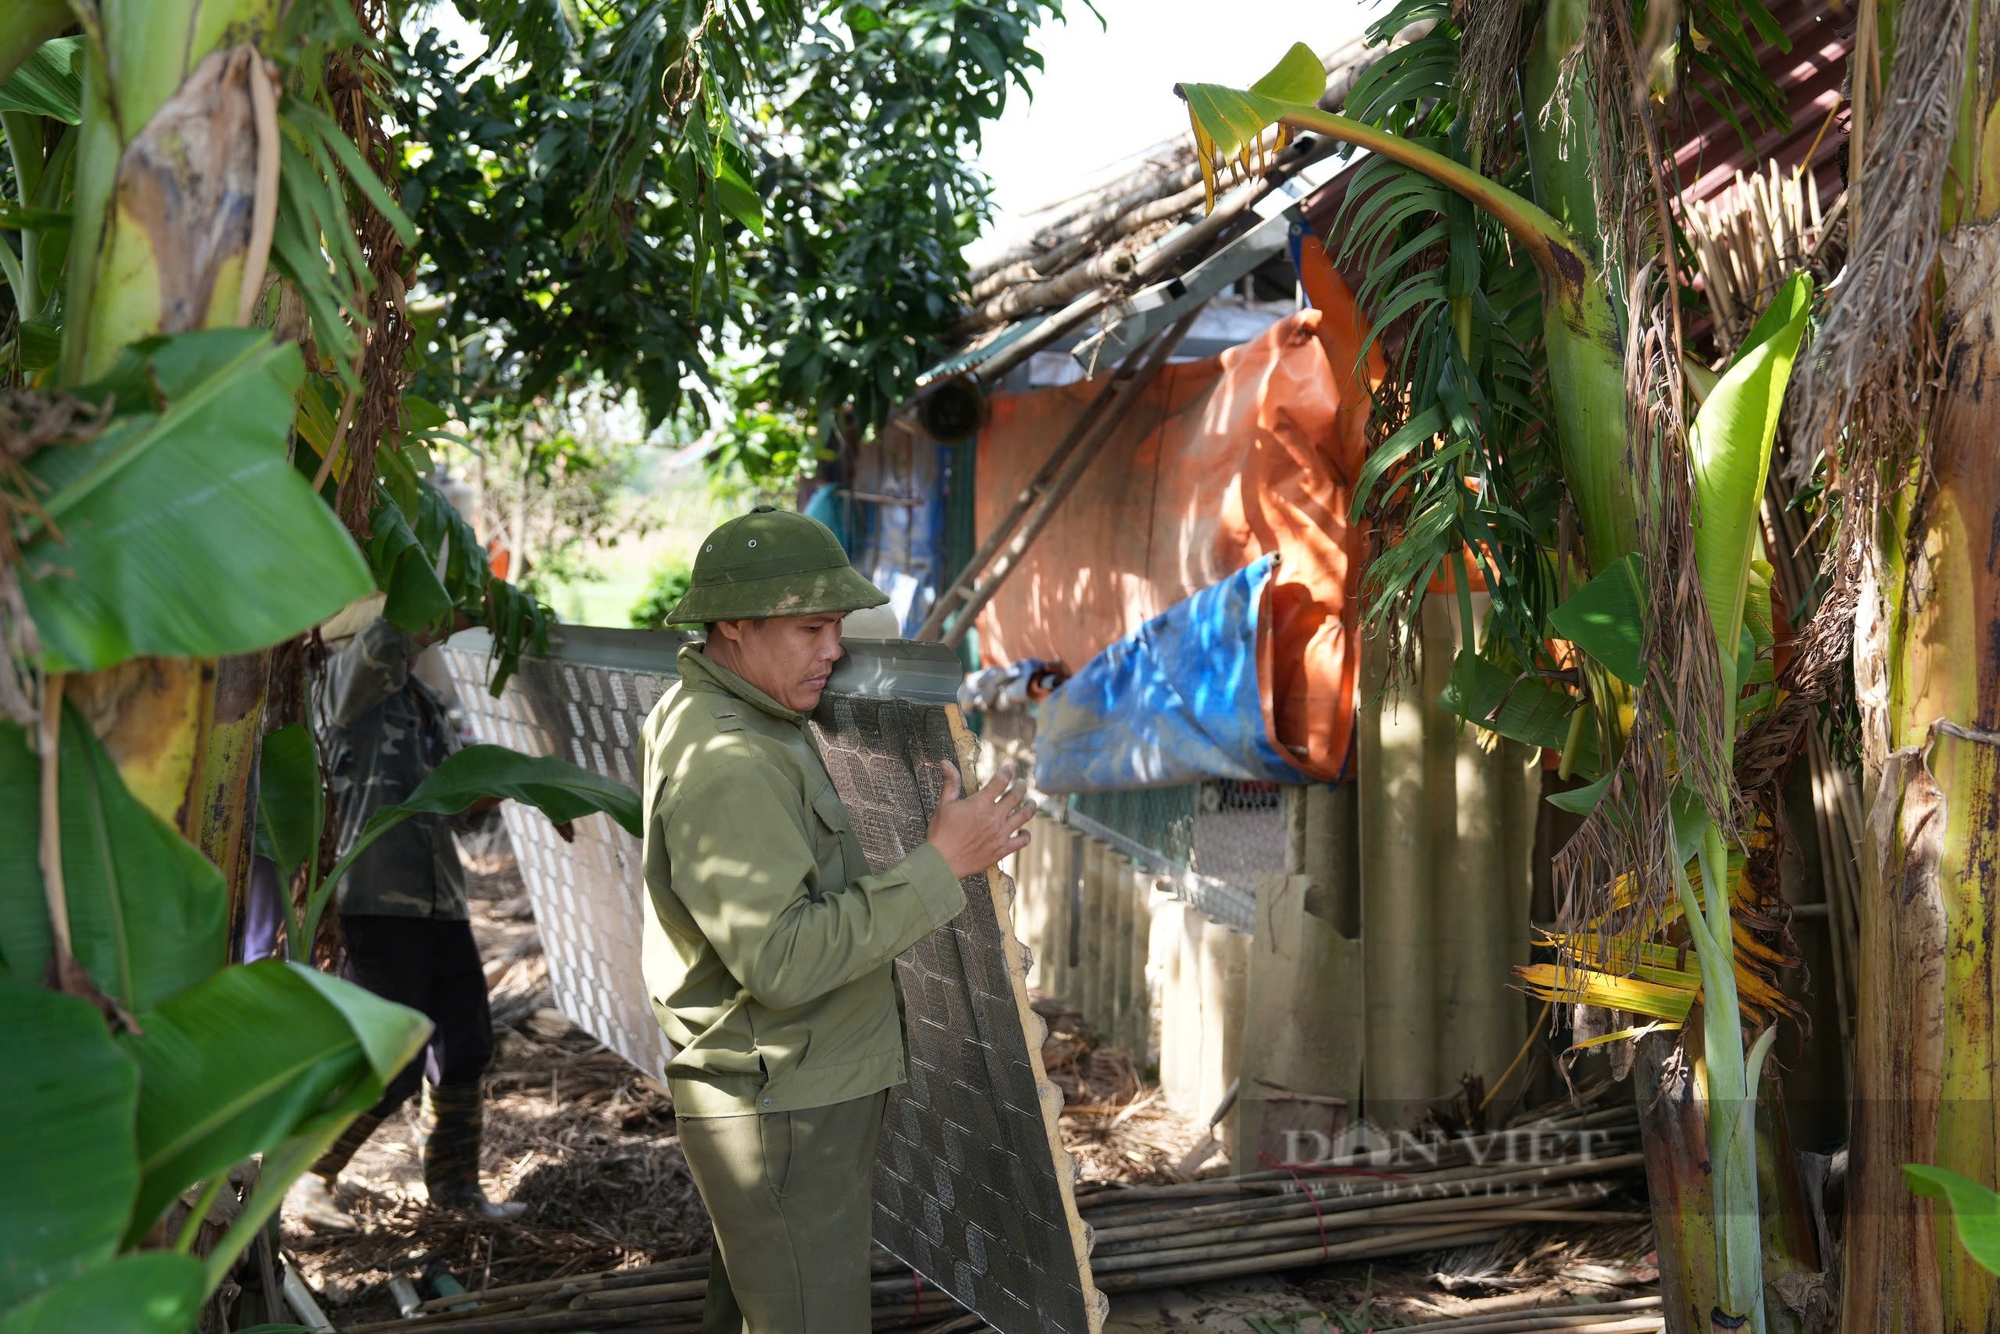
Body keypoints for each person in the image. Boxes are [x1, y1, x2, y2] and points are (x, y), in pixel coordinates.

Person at [640, 506, 1032, 1334]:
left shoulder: (734, 718)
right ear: (734, 627)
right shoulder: (731, 756)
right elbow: (780, 960)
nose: (835, 650)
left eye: (837, 627)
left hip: (782, 1092)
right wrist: (942, 865)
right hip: (780, 1105)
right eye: (813, 627)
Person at [288, 614, 527, 1228]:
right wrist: (446, 611)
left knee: (466, 1044)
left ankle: (455, 1194)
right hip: (373, 899)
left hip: (439, 898)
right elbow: (386, 641)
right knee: (387, 1061)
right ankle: (306, 1179)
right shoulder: (341, 681)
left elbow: (449, 799)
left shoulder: (420, 699)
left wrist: (525, 784)